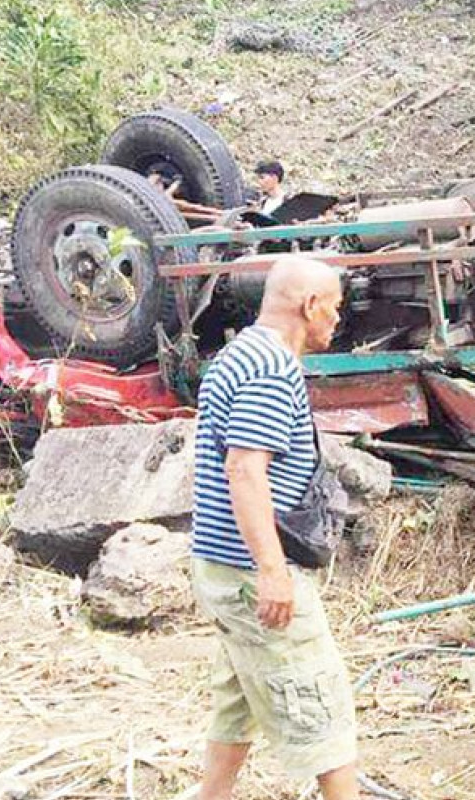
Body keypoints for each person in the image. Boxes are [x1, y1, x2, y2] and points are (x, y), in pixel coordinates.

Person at [190, 256, 358, 800]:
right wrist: (271, 571)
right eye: (334, 308)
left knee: (239, 701)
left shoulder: (238, 354)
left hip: (220, 564)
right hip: (247, 571)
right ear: (310, 306)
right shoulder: (269, 367)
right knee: (320, 701)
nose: (337, 319)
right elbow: (243, 467)